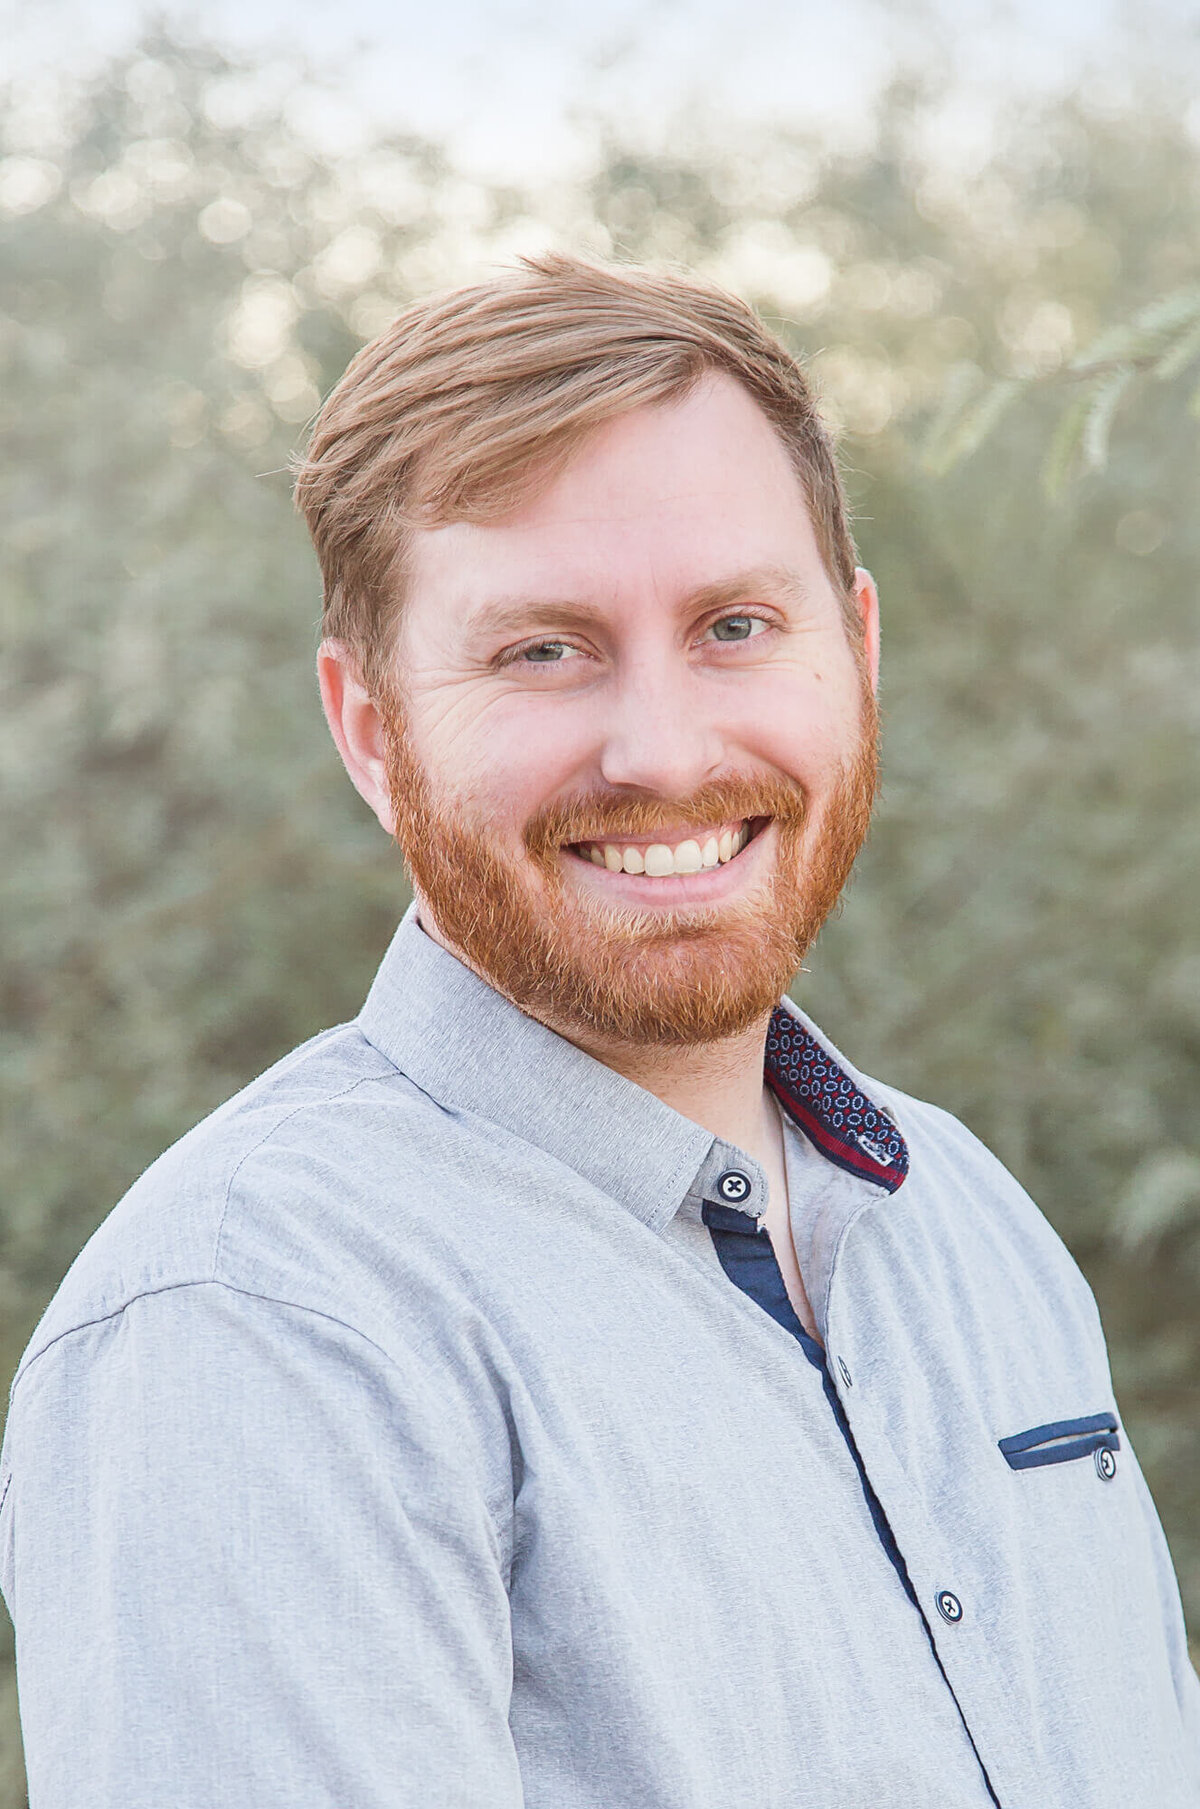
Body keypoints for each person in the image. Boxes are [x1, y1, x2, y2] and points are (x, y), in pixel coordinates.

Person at [1, 255, 1196, 1809]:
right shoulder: (263, 1321)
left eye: (738, 624)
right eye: (542, 650)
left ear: (860, 651)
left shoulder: (968, 1219)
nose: (663, 748)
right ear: (372, 728)